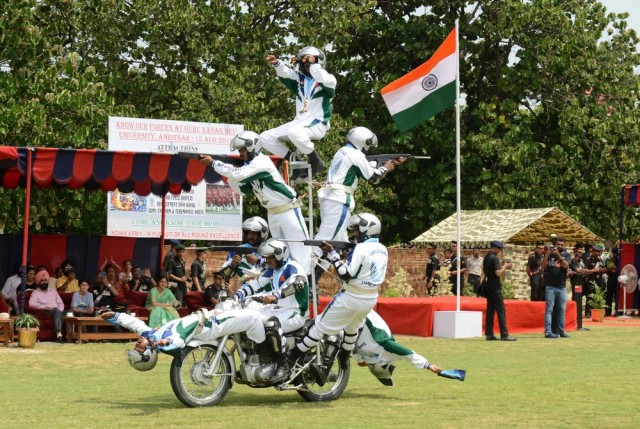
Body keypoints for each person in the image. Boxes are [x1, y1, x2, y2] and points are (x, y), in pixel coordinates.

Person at [288, 213, 389, 376]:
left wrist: (332, 253)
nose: (355, 235)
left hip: (351, 297)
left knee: (318, 327)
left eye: (357, 230)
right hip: (370, 299)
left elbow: (346, 274)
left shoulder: (361, 249)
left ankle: (290, 360)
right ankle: (343, 358)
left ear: (366, 229)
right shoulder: (382, 249)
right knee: (352, 328)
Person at [200, 131, 311, 275]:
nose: (241, 153)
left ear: (252, 147)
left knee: (300, 253)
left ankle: (305, 286)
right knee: (279, 254)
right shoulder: (250, 166)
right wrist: (228, 173)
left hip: (288, 211)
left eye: (243, 149)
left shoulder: (261, 162)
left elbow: (239, 174)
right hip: (273, 214)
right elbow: (243, 190)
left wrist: (214, 163)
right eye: (239, 150)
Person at [99, 306, 290, 381]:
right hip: (212, 325)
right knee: (254, 316)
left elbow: (134, 323)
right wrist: (164, 342)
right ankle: (277, 360)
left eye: (135, 346)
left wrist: (114, 316)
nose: (136, 344)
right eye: (138, 349)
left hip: (208, 315)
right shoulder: (162, 342)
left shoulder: (150, 334)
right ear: (147, 352)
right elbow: (176, 342)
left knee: (242, 303)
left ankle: (262, 353)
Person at [312, 127, 405, 273]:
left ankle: (312, 283)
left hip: (331, 198)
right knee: (323, 242)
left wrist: (384, 163)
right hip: (339, 200)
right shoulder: (355, 154)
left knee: (335, 244)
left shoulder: (343, 151)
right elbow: (374, 178)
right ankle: (306, 278)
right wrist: (386, 168)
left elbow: (364, 167)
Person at [260, 46, 337, 180]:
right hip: (299, 123)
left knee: (294, 132)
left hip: (318, 124)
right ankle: (293, 158)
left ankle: (316, 161)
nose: (308, 68)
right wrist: (277, 63)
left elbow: (323, 78)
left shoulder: (327, 80)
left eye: (310, 65)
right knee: (265, 137)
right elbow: (286, 73)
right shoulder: (299, 80)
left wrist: (314, 65)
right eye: (305, 65)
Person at [234, 238, 309, 334]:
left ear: (280, 256)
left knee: (270, 326)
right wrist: (237, 295)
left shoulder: (292, 266)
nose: (267, 260)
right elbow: (256, 285)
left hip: (294, 312)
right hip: (276, 309)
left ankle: (283, 348)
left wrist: (275, 296)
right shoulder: (272, 270)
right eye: (267, 257)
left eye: (270, 257)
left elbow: (299, 283)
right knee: (249, 320)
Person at [354, 309, 442, 386]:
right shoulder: (386, 344)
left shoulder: (362, 356)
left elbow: (408, 354)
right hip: (360, 314)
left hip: (355, 317)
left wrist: (360, 360)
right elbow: (407, 354)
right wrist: (428, 365)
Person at [483, 240, 517, 341]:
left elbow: (490, 270)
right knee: (501, 310)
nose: (499, 251)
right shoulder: (495, 258)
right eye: (499, 249)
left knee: (490, 310)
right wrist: (505, 267)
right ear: (495, 248)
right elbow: (497, 273)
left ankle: (489, 334)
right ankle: (504, 334)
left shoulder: (486, 257)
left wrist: (502, 267)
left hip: (488, 284)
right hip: (494, 285)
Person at [220, 216, 269, 282]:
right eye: (248, 232)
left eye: (254, 233)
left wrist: (258, 261)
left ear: (262, 234)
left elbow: (278, 265)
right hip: (246, 290)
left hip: (268, 290)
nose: (250, 235)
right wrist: (232, 265)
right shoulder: (238, 250)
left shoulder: (270, 249)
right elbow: (223, 275)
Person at [542, 237, 570, 338]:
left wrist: (558, 255)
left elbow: (565, 265)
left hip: (561, 287)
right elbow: (543, 266)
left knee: (562, 310)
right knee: (549, 309)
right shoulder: (549, 255)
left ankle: (561, 331)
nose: (560, 246)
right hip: (550, 286)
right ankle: (548, 331)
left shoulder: (566, 255)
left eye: (562, 245)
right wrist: (547, 255)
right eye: (558, 244)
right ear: (555, 244)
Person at [29, 270, 65, 343]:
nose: (44, 282)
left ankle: (74, 336)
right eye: (42, 280)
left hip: (57, 310)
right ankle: (59, 334)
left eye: (45, 280)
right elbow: (31, 303)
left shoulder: (53, 291)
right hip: (46, 311)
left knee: (71, 312)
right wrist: (43, 307)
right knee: (57, 311)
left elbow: (61, 303)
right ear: (38, 282)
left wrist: (59, 311)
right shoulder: (36, 292)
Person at [568, 246, 588, 330]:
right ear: (575, 252)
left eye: (581, 252)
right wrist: (584, 271)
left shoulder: (582, 261)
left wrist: (585, 271)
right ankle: (576, 324)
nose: (581, 254)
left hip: (581, 282)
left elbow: (585, 269)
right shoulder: (573, 261)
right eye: (579, 252)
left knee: (579, 303)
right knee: (577, 302)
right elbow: (578, 270)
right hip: (576, 283)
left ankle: (579, 324)